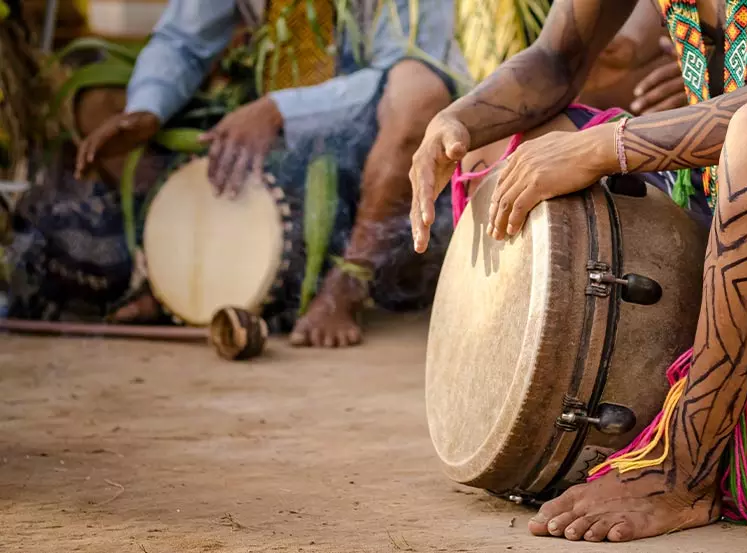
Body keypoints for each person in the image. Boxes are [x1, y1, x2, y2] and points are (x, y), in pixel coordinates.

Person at [409, 0, 747, 543]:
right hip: (719, 189)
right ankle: (555, 427)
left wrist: (607, 146)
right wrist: (457, 120)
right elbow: (556, 59)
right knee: (516, 147)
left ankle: (683, 472)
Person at [68, 0, 464, 346]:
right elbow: (182, 42)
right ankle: (169, 277)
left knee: (419, 91)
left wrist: (279, 111)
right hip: (263, 128)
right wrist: (147, 110)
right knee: (100, 104)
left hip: (372, 144)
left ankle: (347, 283)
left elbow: (407, 64)